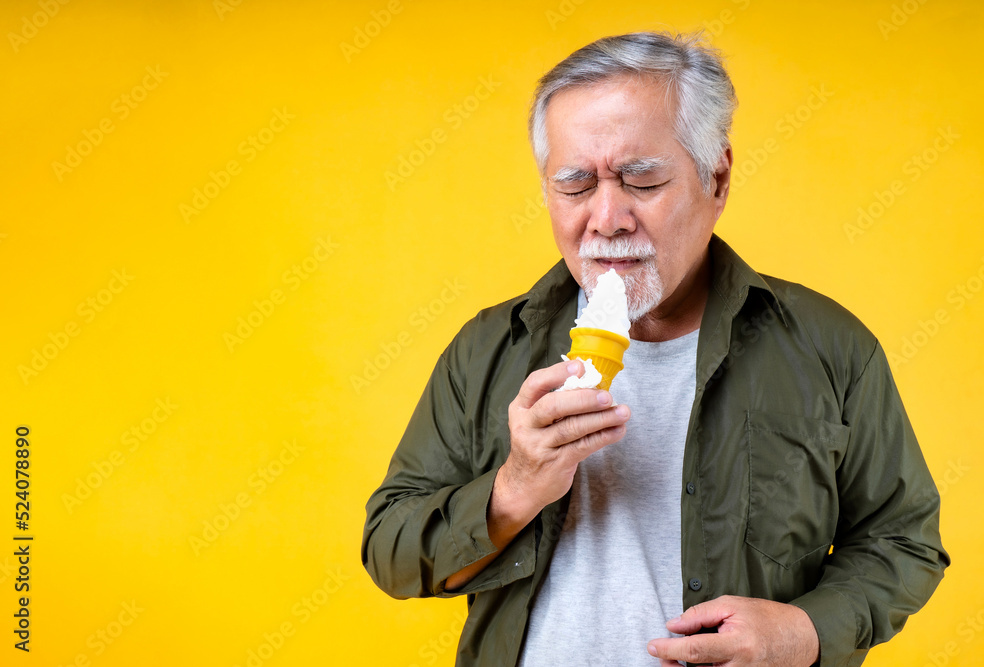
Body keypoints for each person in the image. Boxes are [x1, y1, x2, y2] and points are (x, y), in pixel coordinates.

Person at [362, 31, 948, 666]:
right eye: (575, 184)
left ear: (715, 177)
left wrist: (802, 632)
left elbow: (903, 541)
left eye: (641, 181)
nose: (606, 217)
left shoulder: (829, 348)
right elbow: (391, 555)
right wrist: (516, 486)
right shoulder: (488, 349)